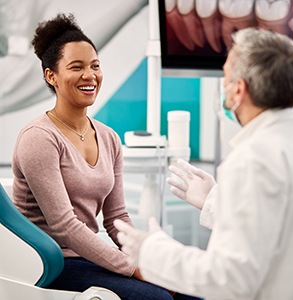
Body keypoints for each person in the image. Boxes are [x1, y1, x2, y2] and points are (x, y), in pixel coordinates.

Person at [12, 13, 199, 300]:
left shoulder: (109, 137)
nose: (90, 75)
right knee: (157, 298)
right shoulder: (39, 138)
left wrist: (146, 257)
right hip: (50, 263)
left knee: (192, 292)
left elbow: (117, 217)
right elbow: (65, 226)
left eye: (95, 66)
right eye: (76, 67)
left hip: (89, 257)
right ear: (51, 76)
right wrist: (134, 268)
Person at [114, 27, 293, 299]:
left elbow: (230, 278)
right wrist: (216, 201)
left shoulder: (253, 159)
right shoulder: (290, 141)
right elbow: (279, 229)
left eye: (225, 77)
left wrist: (153, 251)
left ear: (238, 90)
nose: (222, 87)